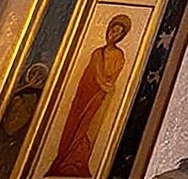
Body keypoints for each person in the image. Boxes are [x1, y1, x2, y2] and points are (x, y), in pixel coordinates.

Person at [48, 17, 133, 176]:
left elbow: (112, 76)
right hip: (85, 95)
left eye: (118, 33)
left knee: (89, 128)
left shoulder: (119, 55)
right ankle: (64, 162)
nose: (113, 35)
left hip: (101, 97)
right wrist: (102, 83)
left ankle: (78, 163)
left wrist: (104, 85)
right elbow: (94, 75)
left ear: (122, 37)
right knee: (74, 125)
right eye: (113, 30)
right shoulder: (97, 53)